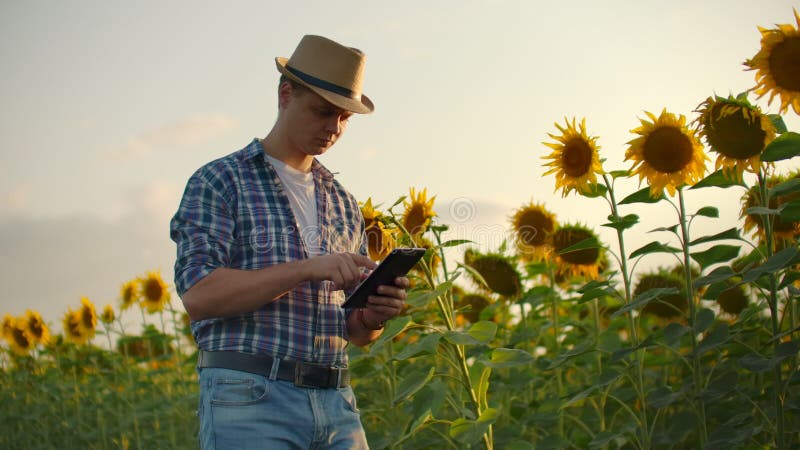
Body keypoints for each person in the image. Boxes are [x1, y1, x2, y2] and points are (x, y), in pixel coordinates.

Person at [169, 34, 409, 450]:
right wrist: (308, 268)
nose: (333, 128)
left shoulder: (343, 203)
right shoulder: (220, 181)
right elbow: (199, 294)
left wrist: (373, 315)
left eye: (344, 118)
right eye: (322, 112)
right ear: (285, 94)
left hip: (337, 403)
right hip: (250, 399)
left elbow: (352, 330)